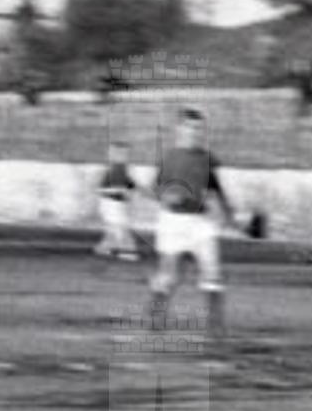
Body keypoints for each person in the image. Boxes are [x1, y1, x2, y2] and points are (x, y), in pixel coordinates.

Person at [149, 107, 238, 337]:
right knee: (170, 274)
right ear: (179, 129)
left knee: (213, 273)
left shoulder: (207, 159)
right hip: (172, 222)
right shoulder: (169, 158)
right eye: (190, 127)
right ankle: (156, 315)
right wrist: (167, 196)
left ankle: (215, 326)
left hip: (201, 222)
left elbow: (216, 187)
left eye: (199, 128)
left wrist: (228, 213)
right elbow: (155, 188)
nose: (195, 132)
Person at [94, 142, 140, 260]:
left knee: (114, 228)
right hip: (112, 204)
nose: (124, 156)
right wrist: (121, 191)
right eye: (120, 153)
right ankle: (128, 251)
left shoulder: (121, 169)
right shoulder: (114, 169)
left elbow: (130, 185)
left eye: (125, 153)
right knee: (121, 228)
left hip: (114, 204)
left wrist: (130, 190)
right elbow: (102, 189)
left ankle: (104, 248)